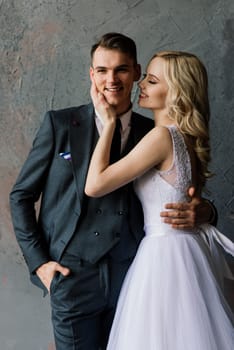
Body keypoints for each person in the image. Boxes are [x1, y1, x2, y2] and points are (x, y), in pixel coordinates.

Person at [9, 33, 215, 350]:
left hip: (135, 277)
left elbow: (178, 191)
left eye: (121, 70)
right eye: (102, 70)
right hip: (73, 277)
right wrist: (40, 264)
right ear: (92, 74)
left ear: (135, 72)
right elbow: (21, 196)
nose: (111, 79)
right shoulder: (60, 124)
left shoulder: (155, 131)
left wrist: (206, 211)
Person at [85, 50, 234, 349]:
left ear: (176, 92)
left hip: (164, 255)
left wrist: (109, 122)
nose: (141, 84)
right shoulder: (185, 137)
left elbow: (95, 185)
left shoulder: (161, 138)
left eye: (152, 81)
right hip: (187, 249)